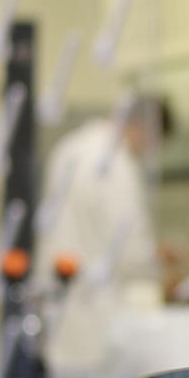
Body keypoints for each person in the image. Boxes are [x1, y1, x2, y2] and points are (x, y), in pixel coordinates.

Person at [35, 95, 171, 298]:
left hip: (56, 286)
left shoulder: (70, 147)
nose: (148, 152)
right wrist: (159, 261)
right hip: (93, 297)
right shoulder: (115, 164)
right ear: (144, 128)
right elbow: (129, 251)